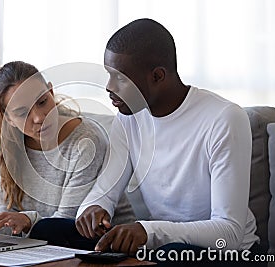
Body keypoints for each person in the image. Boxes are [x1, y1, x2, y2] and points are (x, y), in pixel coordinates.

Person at [75, 19, 262, 265]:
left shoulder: (224, 118)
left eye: (119, 78)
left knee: (169, 253)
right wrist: (92, 210)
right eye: (109, 75)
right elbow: (103, 193)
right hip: (162, 248)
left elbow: (229, 234)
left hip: (229, 255)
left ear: (158, 76)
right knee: (51, 229)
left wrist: (148, 231)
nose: (109, 87)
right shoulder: (129, 118)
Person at [0, 61, 135, 249]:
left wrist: (27, 220)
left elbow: (65, 224)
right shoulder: (2, 146)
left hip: (104, 246)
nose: (39, 117)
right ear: (8, 118)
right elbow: (4, 217)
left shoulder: (86, 142)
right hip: (41, 249)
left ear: (51, 92)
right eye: (22, 113)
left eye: (43, 102)